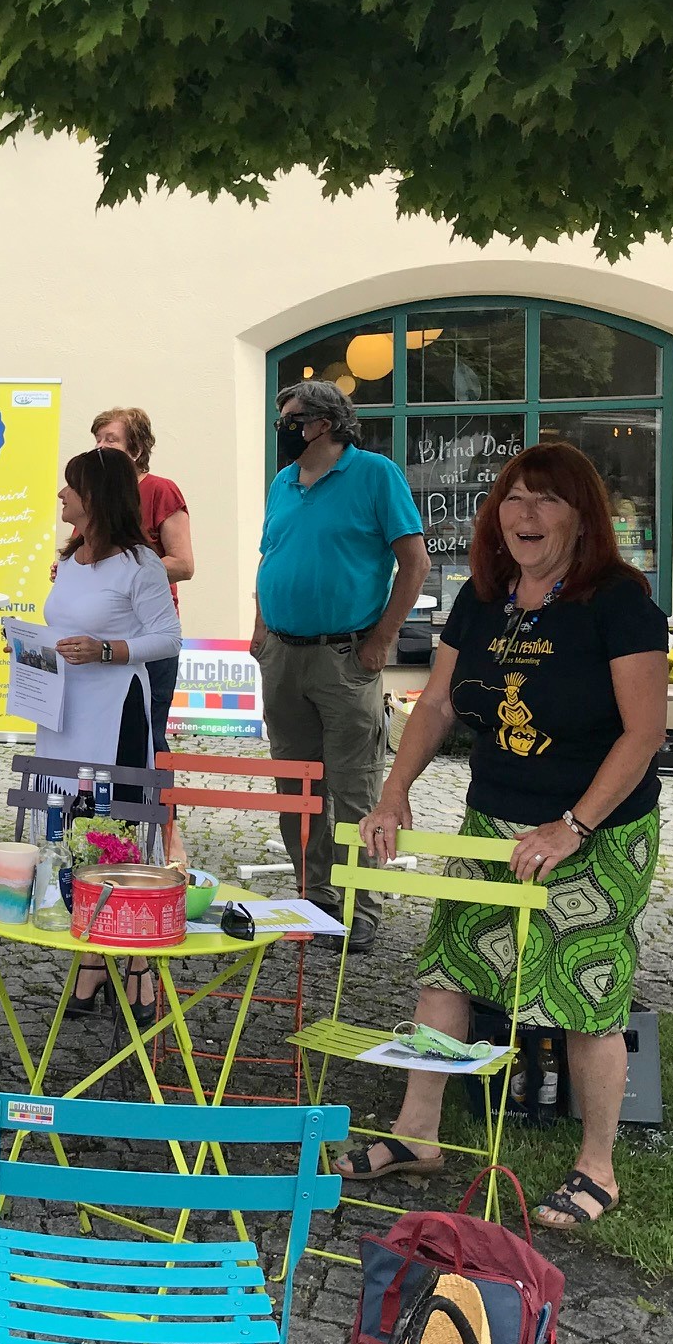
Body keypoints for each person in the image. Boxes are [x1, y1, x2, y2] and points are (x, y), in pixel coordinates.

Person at [350, 443, 667, 1231]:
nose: (525, 516)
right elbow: (436, 705)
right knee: (447, 968)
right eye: (514, 499)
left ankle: (597, 1166)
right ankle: (416, 1134)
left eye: (547, 501)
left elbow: (645, 731)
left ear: (582, 515)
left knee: (587, 991)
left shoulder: (620, 602)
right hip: (493, 817)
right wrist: (393, 796)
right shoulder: (485, 598)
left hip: (598, 826)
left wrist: (573, 825)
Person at [253, 380, 429, 951]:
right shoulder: (282, 482)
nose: (282, 427)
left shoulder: (375, 474)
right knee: (295, 787)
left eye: (291, 418)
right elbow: (271, 559)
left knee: (353, 787)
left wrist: (383, 638)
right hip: (284, 652)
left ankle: (361, 907)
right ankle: (314, 894)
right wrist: (260, 634)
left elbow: (415, 564)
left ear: (324, 423)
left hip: (345, 653)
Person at [33, 447, 182, 1022]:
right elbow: (62, 627)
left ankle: (138, 962)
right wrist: (32, 649)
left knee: (116, 827)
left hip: (115, 709)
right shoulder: (71, 560)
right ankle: (94, 957)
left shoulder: (139, 565)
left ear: (95, 498)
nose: (61, 495)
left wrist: (108, 650)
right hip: (63, 708)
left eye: (71, 487)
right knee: (72, 822)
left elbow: (167, 638)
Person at [91, 408, 194, 860]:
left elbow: (183, 563)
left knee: (149, 736)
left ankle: (168, 835)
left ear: (136, 448)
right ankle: (116, 833)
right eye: (96, 438)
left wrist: (120, 570)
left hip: (148, 637)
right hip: (101, 639)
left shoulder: (159, 491)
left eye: (110, 439)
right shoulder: (96, 497)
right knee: (109, 738)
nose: (100, 446)